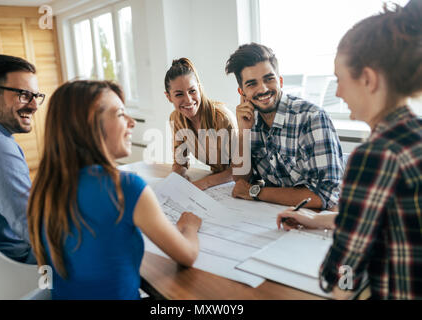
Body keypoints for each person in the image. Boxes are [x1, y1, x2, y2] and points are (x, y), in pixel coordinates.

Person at [277, 1, 422, 299]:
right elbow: (387, 217)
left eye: (340, 79)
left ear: (367, 79)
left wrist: (332, 286)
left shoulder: (375, 155)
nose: (339, 92)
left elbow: (346, 270)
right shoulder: (414, 135)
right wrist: (317, 220)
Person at [27, 80, 202, 300]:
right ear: (90, 124)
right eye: (120, 114)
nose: (131, 122)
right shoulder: (125, 187)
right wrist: (189, 226)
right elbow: (188, 255)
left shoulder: (44, 189)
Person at [225, 43, 344, 209]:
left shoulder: (312, 118)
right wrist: (243, 132)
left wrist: (255, 192)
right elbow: (240, 181)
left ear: (280, 81)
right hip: (280, 213)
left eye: (269, 79)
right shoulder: (250, 119)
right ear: (242, 92)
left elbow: (325, 196)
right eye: (252, 84)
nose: (263, 89)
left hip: (323, 218)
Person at [0, 54, 44, 263]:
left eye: (36, 96)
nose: (34, 105)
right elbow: (33, 229)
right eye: (23, 94)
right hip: (17, 268)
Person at [165, 58, 237, 190]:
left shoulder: (221, 118)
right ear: (169, 97)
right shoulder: (175, 118)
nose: (188, 100)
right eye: (179, 94)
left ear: (199, 88)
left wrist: (204, 183)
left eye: (192, 91)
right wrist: (173, 180)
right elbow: (180, 162)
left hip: (241, 183)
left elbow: (238, 169)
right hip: (218, 183)